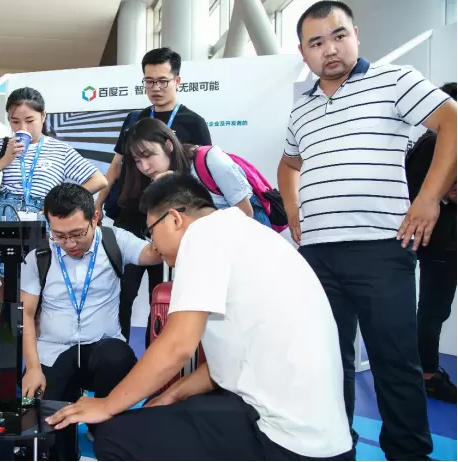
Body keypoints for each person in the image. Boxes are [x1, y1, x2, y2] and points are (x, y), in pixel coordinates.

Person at [45, 173, 353, 461]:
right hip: (324, 439)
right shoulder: (246, 233)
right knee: (161, 412)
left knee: (114, 435)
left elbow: (177, 346)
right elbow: (230, 361)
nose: (154, 246)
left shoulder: (202, 236)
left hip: (284, 439)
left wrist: (107, 405)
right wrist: (171, 396)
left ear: (175, 219)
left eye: (151, 232)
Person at [276, 2, 457, 459]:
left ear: (355, 35)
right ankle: (336, 447)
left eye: (338, 36)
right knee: (326, 362)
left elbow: (452, 121)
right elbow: (288, 164)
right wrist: (293, 209)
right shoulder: (302, 109)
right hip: (318, 255)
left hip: (381, 249)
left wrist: (428, 198)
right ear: (303, 52)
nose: (330, 49)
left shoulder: (395, 80)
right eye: (316, 42)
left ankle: (408, 452)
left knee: (395, 361)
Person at [0, 87, 107, 396]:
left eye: (29, 120)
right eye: (15, 121)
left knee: (36, 311)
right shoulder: (1, 146)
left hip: (41, 231)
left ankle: (34, 377)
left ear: (43, 117)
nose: (23, 127)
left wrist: (58, 205)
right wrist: (4, 160)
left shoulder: (60, 150)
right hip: (1, 223)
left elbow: (99, 180)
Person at [20, 183, 162, 455]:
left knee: (117, 358)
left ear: (94, 218)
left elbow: (153, 255)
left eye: (77, 233)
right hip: (54, 351)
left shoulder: (114, 240)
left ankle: (101, 424)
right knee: (51, 438)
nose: (70, 244)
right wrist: (33, 368)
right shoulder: (38, 254)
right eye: (60, 235)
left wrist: (162, 214)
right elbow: (26, 313)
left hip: (102, 347)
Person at [93, 47, 212, 346]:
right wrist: (97, 203)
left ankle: (157, 359)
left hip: (171, 221)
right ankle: (117, 357)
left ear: (177, 81)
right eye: (149, 81)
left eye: (162, 81)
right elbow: (116, 165)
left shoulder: (193, 122)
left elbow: (200, 173)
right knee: (121, 293)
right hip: (130, 218)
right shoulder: (134, 119)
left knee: (164, 297)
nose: (155, 88)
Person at [405, 82, 457, 404]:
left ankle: (425, 370)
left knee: (434, 310)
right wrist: (445, 194)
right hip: (438, 241)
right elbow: (415, 192)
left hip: (441, 240)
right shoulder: (435, 142)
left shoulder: (434, 141)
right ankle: (426, 375)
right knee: (433, 310)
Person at [122, 117, 272, 226]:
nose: (145, 167)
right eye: (137, 161)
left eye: (148, 155)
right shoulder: (161, 180)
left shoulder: (211, 160)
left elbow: (246, 213)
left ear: (168, 145)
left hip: (249, 229)